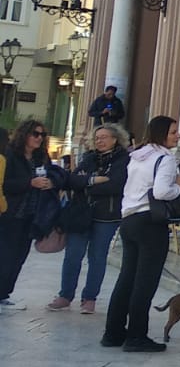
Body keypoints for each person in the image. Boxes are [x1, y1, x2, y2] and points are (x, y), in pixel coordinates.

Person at [100, 116, 180, 352]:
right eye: (173, 132)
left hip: (129, 218)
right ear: (161, 134)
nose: (178, 136)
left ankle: (113, 332)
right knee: (145, 282)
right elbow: (161, 191)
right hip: (150, 222)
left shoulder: (138, 155)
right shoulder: (165, 158)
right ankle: (137, 335)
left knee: (127, 277)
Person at [50, 124, 131, 314]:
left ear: (115, 139)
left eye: (104, 137)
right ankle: (65, 294)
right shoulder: (89, 158)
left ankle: (89, 298)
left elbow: (116, 185)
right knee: (72, 255)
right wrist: (94, 180)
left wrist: (85, 183)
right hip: (81, 214)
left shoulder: (124, 160)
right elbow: (71, 180)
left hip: (107, 216)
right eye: (97, 138)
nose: (99, 141)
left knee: (97, 257)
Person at [0, 120, 66, 311]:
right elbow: (5, 184)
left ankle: (5, 293)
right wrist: (30, 183)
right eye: (35, 134)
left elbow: (54, 173)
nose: (39, 138)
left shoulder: (41, 157)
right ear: (25, 135)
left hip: (33, 213)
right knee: (7, 255)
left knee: (20, 256)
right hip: (11, 213)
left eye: (42, 135)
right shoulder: (10, 155)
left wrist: (51, 182)